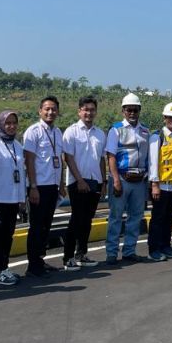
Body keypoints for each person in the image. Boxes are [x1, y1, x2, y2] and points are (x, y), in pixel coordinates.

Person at [23, 96, 67, 277]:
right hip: (38, 186)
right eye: (47, 109)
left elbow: (60, 160)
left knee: (46, 226)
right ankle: (33, 265)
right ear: (40, 111)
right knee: (36, 226)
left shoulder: (57, 132)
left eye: (54, 109)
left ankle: (40, 260)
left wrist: (61, 183)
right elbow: (29, 160)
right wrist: (33, 186)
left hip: (52, 186)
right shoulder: (33, 131)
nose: (50, 112)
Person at [61, 95, 108, 270]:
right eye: (86, 109)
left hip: (95, 181)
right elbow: (68, 157)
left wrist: (103, 182)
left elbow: (102, 159)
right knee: (76, 219)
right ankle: (68, 257)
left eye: (92, 110)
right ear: (79, 111)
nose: (89, 113)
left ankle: (81, 254)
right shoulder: (71, 132)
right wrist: (79, 180)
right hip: (77, 182)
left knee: (87, 220)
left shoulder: (100, 133)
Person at [105, 93, 151, 264]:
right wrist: (116, 180)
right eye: (129, 110)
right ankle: (111, 253)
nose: (132, 113)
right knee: (116, 217)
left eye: (135, 110)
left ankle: (129, 251)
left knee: (136, 217)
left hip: (139, 180)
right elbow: (111, 156)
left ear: (139, 110)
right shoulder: (116, 130)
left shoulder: (145, 131)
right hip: (122, 179)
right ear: (123, 111)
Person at [0, 110, 26, 286]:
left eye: (14, 123)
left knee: (8, 236)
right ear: (0, 124)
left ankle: (4, 267)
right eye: (7, 123)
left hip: (12, 198)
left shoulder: (17, 145)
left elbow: (21, 173)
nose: (11, 126)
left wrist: (21, 197)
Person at [147, 102, 172, 261]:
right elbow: (153, 162)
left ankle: (165, 245)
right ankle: (154, 249)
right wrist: (154, 184)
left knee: (169, 218)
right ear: (164, 118)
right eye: (170, 117)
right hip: (161, 186)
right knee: (158, 218)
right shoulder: (157, 137)